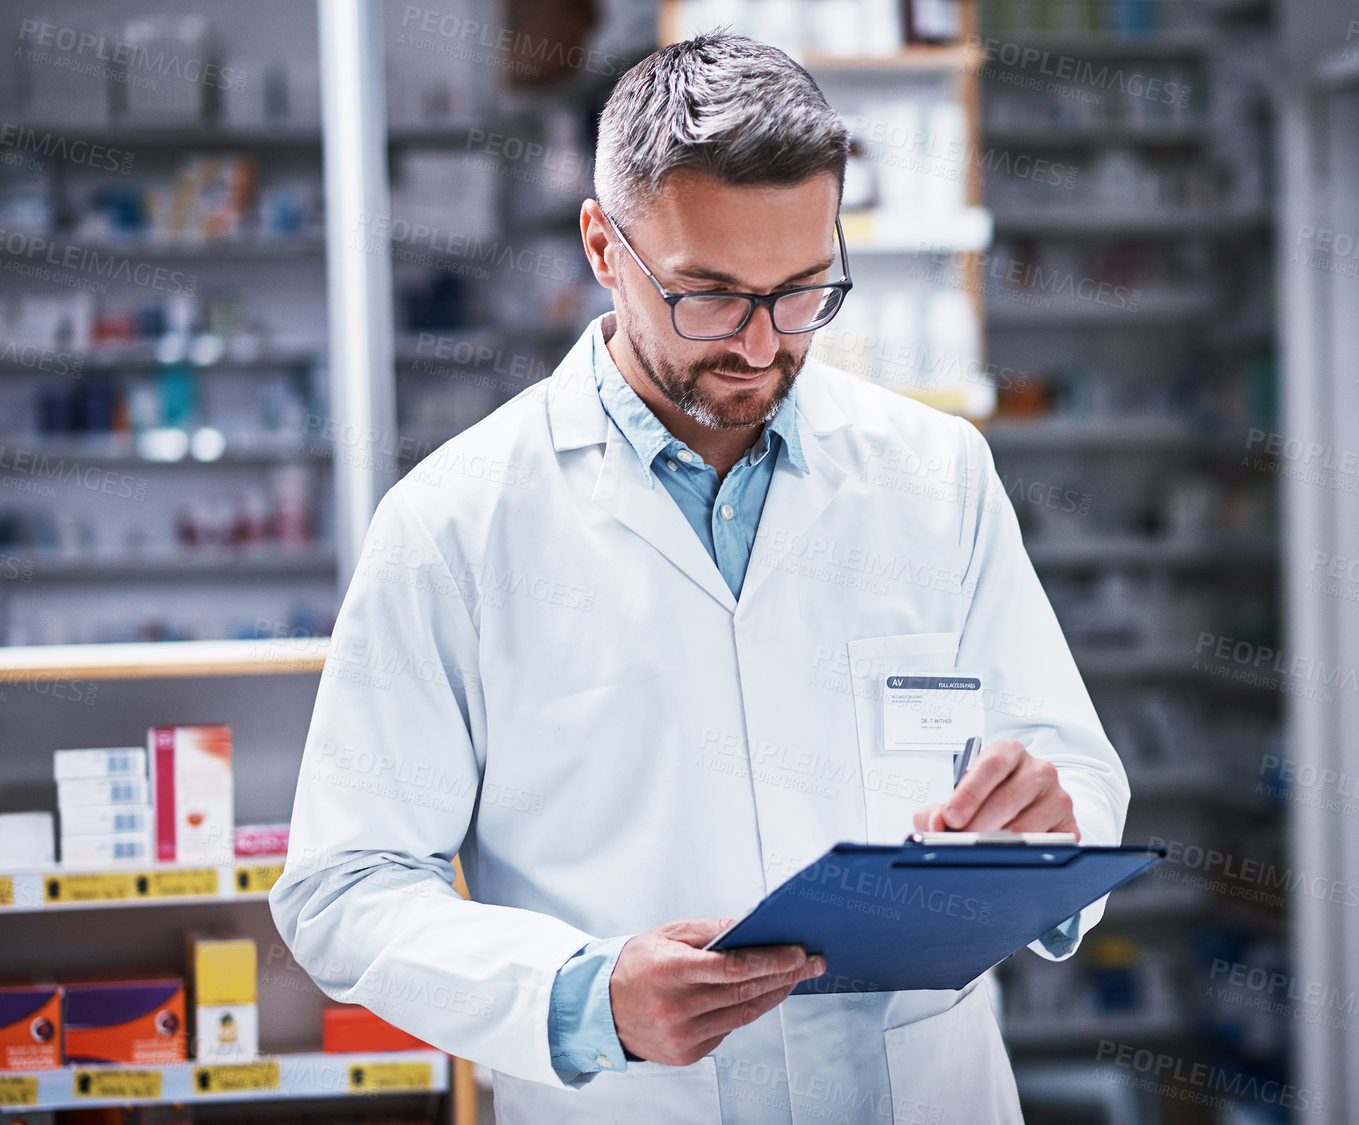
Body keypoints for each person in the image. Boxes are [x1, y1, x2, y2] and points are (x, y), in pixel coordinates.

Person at [270, 31, 1129, 1124]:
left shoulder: (934, 474)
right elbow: (344, 889)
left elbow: (1069, 768)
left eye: (804, 290)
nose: (762, 344)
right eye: (709, 297)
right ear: (601, 245)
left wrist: (1047, 832)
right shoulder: (458, 523)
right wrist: (586, 999)